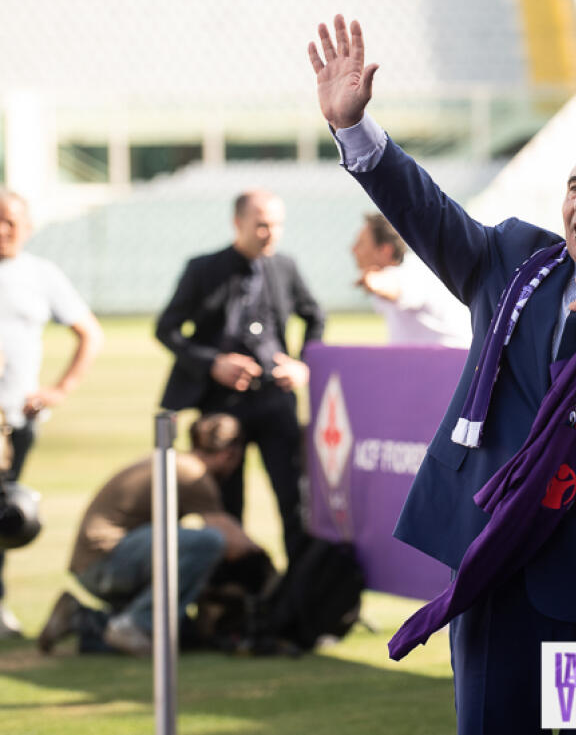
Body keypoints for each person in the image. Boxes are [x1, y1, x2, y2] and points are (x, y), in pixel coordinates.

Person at [308, 15, 576, 734]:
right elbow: (427, 211)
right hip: (495, 564)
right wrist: (356, 130)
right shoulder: (512, 259)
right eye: (575, 186)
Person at [155, 188, 324, 566]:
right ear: (238, 223)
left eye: (277, 225)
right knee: (225, 506)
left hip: (275, 400)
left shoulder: (286, 266)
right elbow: (166, 329)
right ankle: (233, 599)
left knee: (294, 501)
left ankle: (299, 602)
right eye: (262, 225)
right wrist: (212, 362)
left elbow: (315, 316)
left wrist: (302, 363)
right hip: (220, 408)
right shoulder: (202, 269)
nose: (272, 233)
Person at [36, 413, 261, 656]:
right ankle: (136, 625)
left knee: (185, 631)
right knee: (208, 542)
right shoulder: (193, 475)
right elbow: (233, 543)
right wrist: (274, 578)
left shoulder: (176, 461)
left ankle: (79, 617)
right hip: (108, 564)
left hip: (96, 565)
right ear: (229, 454)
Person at [0, 189, 103, 637]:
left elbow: (89, 334)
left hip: (14, 421)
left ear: (28, 226)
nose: (4, 230)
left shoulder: (40, 275)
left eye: (11, 221)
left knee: (6, 514)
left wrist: (60, 389)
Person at [351, 212, 471, 346]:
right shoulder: (410, 268)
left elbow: (395, 287)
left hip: (447, 361)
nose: (353, 250)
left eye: (361, 243)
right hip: (428, 361)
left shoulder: (411, 272)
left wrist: (374, 281)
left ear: (385, 250)